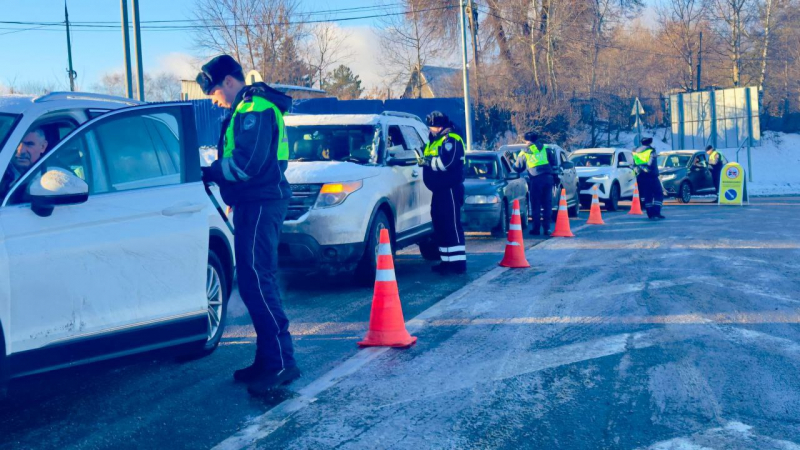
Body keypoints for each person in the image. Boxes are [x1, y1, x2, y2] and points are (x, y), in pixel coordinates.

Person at [197, 54, 300, 396]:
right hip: (254, 203)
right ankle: (267, 359)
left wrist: (211, 172)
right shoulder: (245, 108)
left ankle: (281, 362)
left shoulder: (255, 109)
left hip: (260, 203)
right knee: (254, 282)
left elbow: (247, 164)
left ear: (228, 81)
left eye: (214, 92)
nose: (214, 100)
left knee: (258, 281)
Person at [420, 111, 466, 274]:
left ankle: (458, 264)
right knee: (441, 226)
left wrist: (426, 162)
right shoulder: (434, 140)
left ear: (439, 126)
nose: (430, 129)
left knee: (451, 226)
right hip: (439, 190)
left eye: (432, 126)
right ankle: (446, 261)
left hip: (450, 189)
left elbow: (448, 163)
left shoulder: (451, 139)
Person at [514, 132, 558, 236]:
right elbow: (554, 163)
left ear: (526, 140)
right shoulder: (545, 148)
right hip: (548, 178)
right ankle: (547, 229)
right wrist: (555, 177)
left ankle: (536, 229)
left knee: (536, 204)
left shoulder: (525, 151)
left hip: (536, 179)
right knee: (547, 204)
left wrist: (510, 159)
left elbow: (518, 168)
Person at [1, 129, 48, 197]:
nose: (21, 151)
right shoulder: (2, 169)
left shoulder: (52, 175)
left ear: (43, 146)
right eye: (16, 143)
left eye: (29, 144)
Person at [632, 137, 665, 219]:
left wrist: (640, 169)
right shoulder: (651, 151)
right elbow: (651, 164)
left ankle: (650, 214)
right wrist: (647, 169)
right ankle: (656, 212)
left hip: (641, 176)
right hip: (651, 176)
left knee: (648, 195)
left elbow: (634, 164)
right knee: (659, 194)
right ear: (650, 143)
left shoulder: (636, 152)